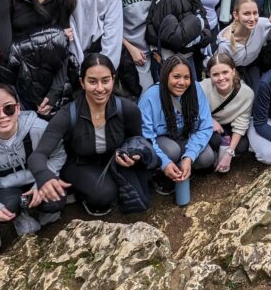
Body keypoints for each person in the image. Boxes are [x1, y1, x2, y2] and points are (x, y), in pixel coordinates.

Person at [28, 53, 148, 216]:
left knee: (146, 173)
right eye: (92, 81)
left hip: (113, 160)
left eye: (105, 80)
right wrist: (44, 177)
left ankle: (100, 185)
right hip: (79, 164)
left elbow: (137, 140)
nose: (100, 88)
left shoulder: (127, 109)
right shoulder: (67, 115)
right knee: (104, 194)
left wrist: (134, 155)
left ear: (113, 79)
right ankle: (81, 192)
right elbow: (38, 155)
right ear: (82, 83)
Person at [0, 0, 76, 116]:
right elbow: (8, 51)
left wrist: (55, 90)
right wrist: (53, 37)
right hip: (17, 81)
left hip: (50, 79)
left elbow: (62, 50)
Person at [0, 82, 66, 236]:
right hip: (6, 187)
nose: (3, 116)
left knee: (55, 198)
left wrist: (42, 182)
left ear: (18, 108)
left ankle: (42, 210)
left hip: (36, 177)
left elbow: (59, 154)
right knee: (7, 205)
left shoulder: (39, 128)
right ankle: (21, 214)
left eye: (8, 108)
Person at [139, 54, 216, 197]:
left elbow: (205, 126)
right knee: (172, 151)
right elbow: (146, 137)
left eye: (186, 77)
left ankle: (183, 169)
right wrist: (164, 162)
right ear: (165, 76)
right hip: (162, 141)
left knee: (207, 158)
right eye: (176, 77)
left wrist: (189, 156)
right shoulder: (149, 98)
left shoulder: (196, 90)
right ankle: (160, 175)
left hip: (185, 136)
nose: (182, 82)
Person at [147, 0, 212, 77]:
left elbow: (207, 31)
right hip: (169, 60)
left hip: (187, 56)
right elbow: (168, 35)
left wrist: (199, 35)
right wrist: (197, 33)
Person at [200, 53, 255, 173]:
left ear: (233, 71)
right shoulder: (203, 87)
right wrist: (209, 119)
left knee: (241, 146)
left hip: (229, 124)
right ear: (209, 75)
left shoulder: (246, 93)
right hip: (209, 124)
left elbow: (241, 124)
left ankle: (226, 156)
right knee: (215, 140)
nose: (221, 78)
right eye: (215, 74)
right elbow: (193, 111)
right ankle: (214, 155)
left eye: (225, 72)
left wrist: (229, 153)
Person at [117, 0, 159, 98]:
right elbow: (107, 23)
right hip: (129, 53)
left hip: (153, 53)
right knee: (142, 96)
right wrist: (129, 47)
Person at [215, 0, 271, 87]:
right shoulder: (225, 44)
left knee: (258, 91)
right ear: (236, 15)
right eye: (246, 14)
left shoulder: (262, 25)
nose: (252, 18)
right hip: (233, 71)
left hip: (253, 65)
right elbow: (221, 69)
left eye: (255, 13)